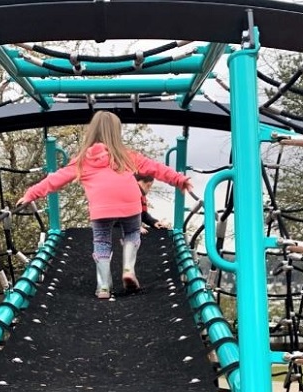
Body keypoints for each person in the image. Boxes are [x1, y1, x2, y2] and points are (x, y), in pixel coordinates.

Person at [16, 111, 193, 299]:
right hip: (130, 202)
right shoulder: (126, 155)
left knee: (101, 241)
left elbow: (56, 180)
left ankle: (103, 286)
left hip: (101, 207)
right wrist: (179, 180)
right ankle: (127, 269)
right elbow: (155, 168)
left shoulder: (82, 160)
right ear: (116, 133)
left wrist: (30, 194)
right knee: (132, 232)